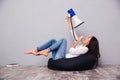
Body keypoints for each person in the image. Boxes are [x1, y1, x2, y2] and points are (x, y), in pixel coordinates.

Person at [24, 16, 100, 67]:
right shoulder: (81, 46)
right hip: (58, 57)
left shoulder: (85, 49)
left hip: (61, 59)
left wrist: (77, 42)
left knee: (63, 40)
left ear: (90, 42)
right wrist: (69, 21)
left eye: (88, 38)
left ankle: (46, 52)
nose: (86, 37)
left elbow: (71, 51)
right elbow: (72, 32)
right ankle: (36, 50)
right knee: (53, 41)